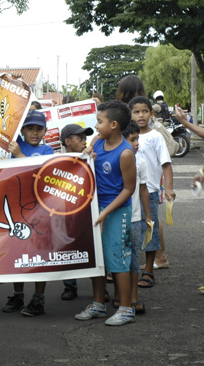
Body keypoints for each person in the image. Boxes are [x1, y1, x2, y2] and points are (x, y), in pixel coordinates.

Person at [75, 100, 136, 326]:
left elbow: (128, 190)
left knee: (118, 260)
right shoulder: (97, 141)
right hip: (95, 207)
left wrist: (106, 213)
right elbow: (87, 163)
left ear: (114, 125)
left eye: (99, 122)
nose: (96, 126)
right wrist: (87, 153)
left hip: (116, 211)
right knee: (97, 258)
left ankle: (126, 309)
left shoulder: (125, 153)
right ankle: (99, 305)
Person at [5, 110, 54, 316]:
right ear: (22, 130)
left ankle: (38, 299)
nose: (34, 133)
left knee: (38, 254)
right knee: (17, 251)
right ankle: (18, 295)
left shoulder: (48, 150)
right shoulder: (13, 143)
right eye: (30, 128)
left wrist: (18, 155)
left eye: (39, 129)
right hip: (16, 207)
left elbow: (41, 176)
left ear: (45, 131)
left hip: (39, 210)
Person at [129, 96, 175, 285]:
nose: (141, 115)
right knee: (129, 231)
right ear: (129, 114)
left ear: (151, 113)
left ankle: (149, 271)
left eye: (145, 111)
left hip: (151, 191)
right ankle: (124, 270)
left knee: (150, 230)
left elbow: (166, 164)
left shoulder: (155, 136)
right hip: (128, 192)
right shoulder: (125, 135)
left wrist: (169, 187)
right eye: (136, 112)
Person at [114, 120, 151, 314]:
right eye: (133, 139)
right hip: (115, 217)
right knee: (117, 258)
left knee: (133, 259)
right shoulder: (114, 160)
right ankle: (119, 295)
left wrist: (148, 215)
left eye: (138, 139)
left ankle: (134, 297)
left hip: (135, 219)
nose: (137, 143)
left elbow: (144, 190)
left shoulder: (141, 162)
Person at [58, 124, 94, 300]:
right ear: (68, 141)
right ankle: (70, 286)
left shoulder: (88, 158)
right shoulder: (56, 159)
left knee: (91, 245)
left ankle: (99, 285)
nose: (84, 142)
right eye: (79, 139)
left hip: (85, 210)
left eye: (85, 139)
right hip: (64, 212)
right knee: (67, 246)